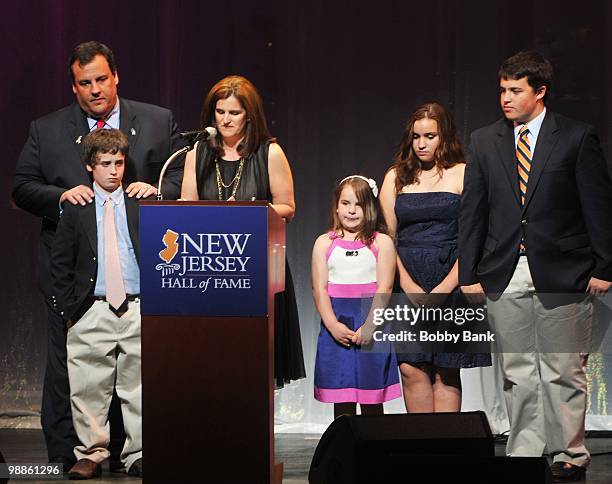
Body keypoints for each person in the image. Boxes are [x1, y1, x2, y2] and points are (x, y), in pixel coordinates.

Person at [12, 41, 183, 469]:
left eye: (101, 79)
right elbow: (23, 186)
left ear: (116, 77)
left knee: (137, 377)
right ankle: (71, 456)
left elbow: (184, 175)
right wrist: (61, 197)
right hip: (76, 283)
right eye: (84, 83)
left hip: (138, 281)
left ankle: (137, 453)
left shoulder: (158, 121)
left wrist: (160, 192)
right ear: (73, 87)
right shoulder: (46, 129)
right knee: (76, 374)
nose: (94, 89)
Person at [458, 51, 612, 482]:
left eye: (515, 90)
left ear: (539, 91)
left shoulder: (576, 138)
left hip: (565, 269)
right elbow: (473, 211)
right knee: (517, 369)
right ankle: (525, 450)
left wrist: (604, 265)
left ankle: (568, 453)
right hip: (505, 270)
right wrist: (468, 271)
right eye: (502, 90)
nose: (505, 98)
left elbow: (597, 206)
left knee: (563, 368)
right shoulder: (485, 140)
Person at [181, 75, 305, 386]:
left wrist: (250, 212)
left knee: (254, 369)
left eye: (234, 113)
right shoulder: (197, 153)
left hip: (258, 268)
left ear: (249, 114)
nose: (226, 120)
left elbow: (288, 207)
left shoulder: (269, 152)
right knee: (213, 367)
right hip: (208, 269)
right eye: (220, 112)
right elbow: (186, 207)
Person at [379, 102, 490, 413]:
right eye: (416, 137)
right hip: (406, 280)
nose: (421, 144)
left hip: (452, 279)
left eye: (429, 136)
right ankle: (421, 450)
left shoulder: (464, 173)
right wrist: (407, 283)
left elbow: (473, 236)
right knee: (411, 367)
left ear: (445, 137)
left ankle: (446, 452)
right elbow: (386, 238)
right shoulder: (395, 177)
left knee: (446, 368)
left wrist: (447, 286)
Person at [50, 129, 144, 479]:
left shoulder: (138, 202)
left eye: (119, 163)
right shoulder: (78, 209)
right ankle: (90, 452)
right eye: (105, 164)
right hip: (93, 309)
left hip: (135, 306)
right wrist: (70, 311)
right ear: (91, 166)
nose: (114, 171)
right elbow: (59, 263)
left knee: (138, 386)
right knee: (89, 385)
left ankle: (138, 452)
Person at [312, 175, 400, 418]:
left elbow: (385, 288)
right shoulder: (324, 243)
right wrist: (332, 324)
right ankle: (345, 452)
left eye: (359, 204)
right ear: (336, 206)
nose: (351, 211)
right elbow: (319, 289)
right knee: (342, 398)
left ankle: (373, 452)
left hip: (370, 323)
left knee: (372, 399)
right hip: (337, 324)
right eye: (346, 203)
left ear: (370, 207)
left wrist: (370, 326)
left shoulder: (381, 242)